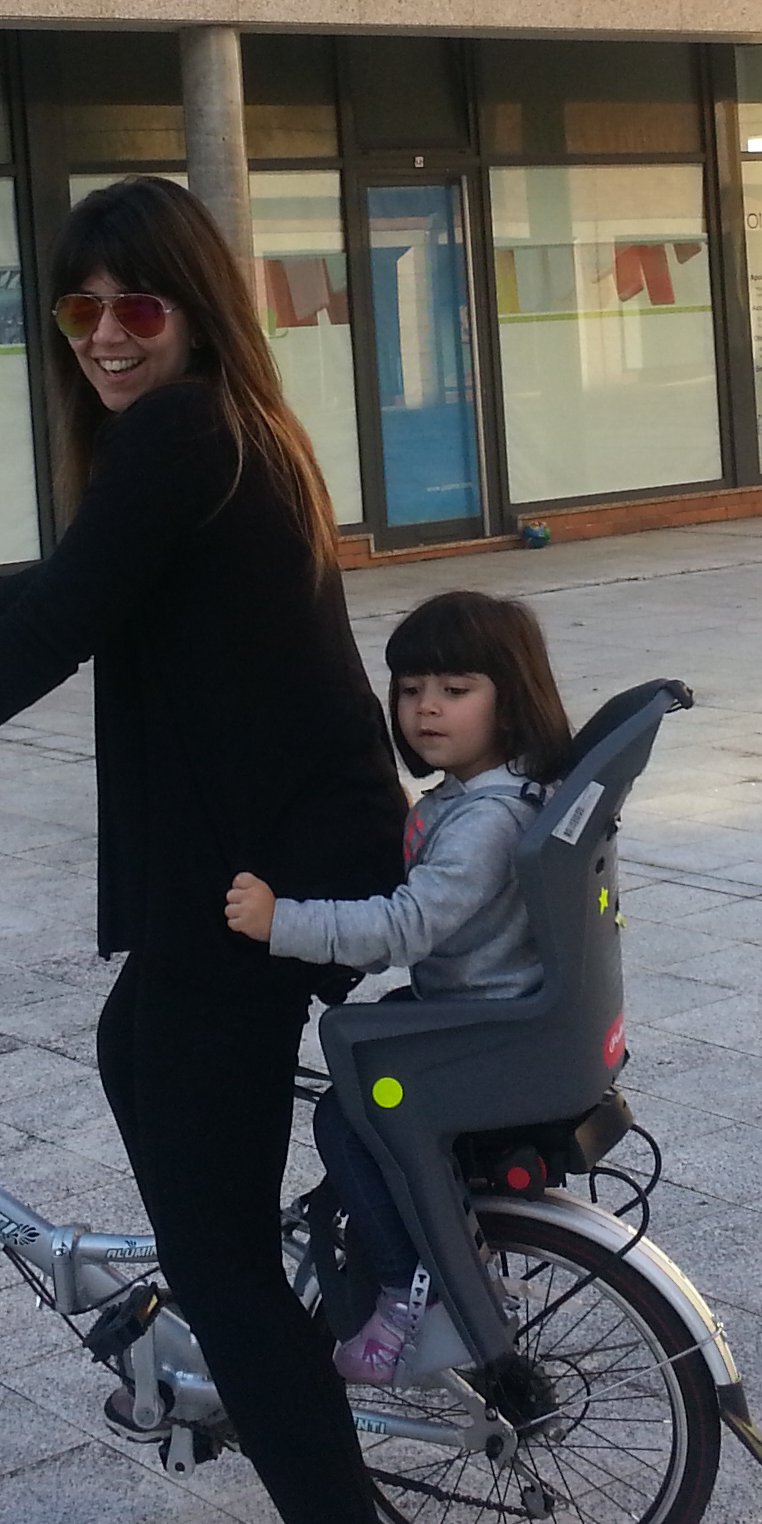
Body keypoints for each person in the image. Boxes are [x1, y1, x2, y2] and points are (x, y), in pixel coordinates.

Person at [0, 175, 412, 1524]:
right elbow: (94, 570)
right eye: (82, 310)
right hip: (256, 861)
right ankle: (227, 1317)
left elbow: (66, 622)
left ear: (196, 311)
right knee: (136, 1046)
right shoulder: (215, 433)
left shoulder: (188, 427)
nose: (107, 336)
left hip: (265, 880)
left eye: (138, 306)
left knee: (224, 1263)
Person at [225, 590, 574, 1386]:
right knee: (370, 1051)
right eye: (411, 689)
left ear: (512, 699)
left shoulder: (486, 822)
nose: (426, 708)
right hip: (501, 1010)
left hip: (484, 1025)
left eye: (456, 689)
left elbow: (406, 929)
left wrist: (282, 922)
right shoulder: (506, 790)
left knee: (348, 1117)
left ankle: (410, 1290)